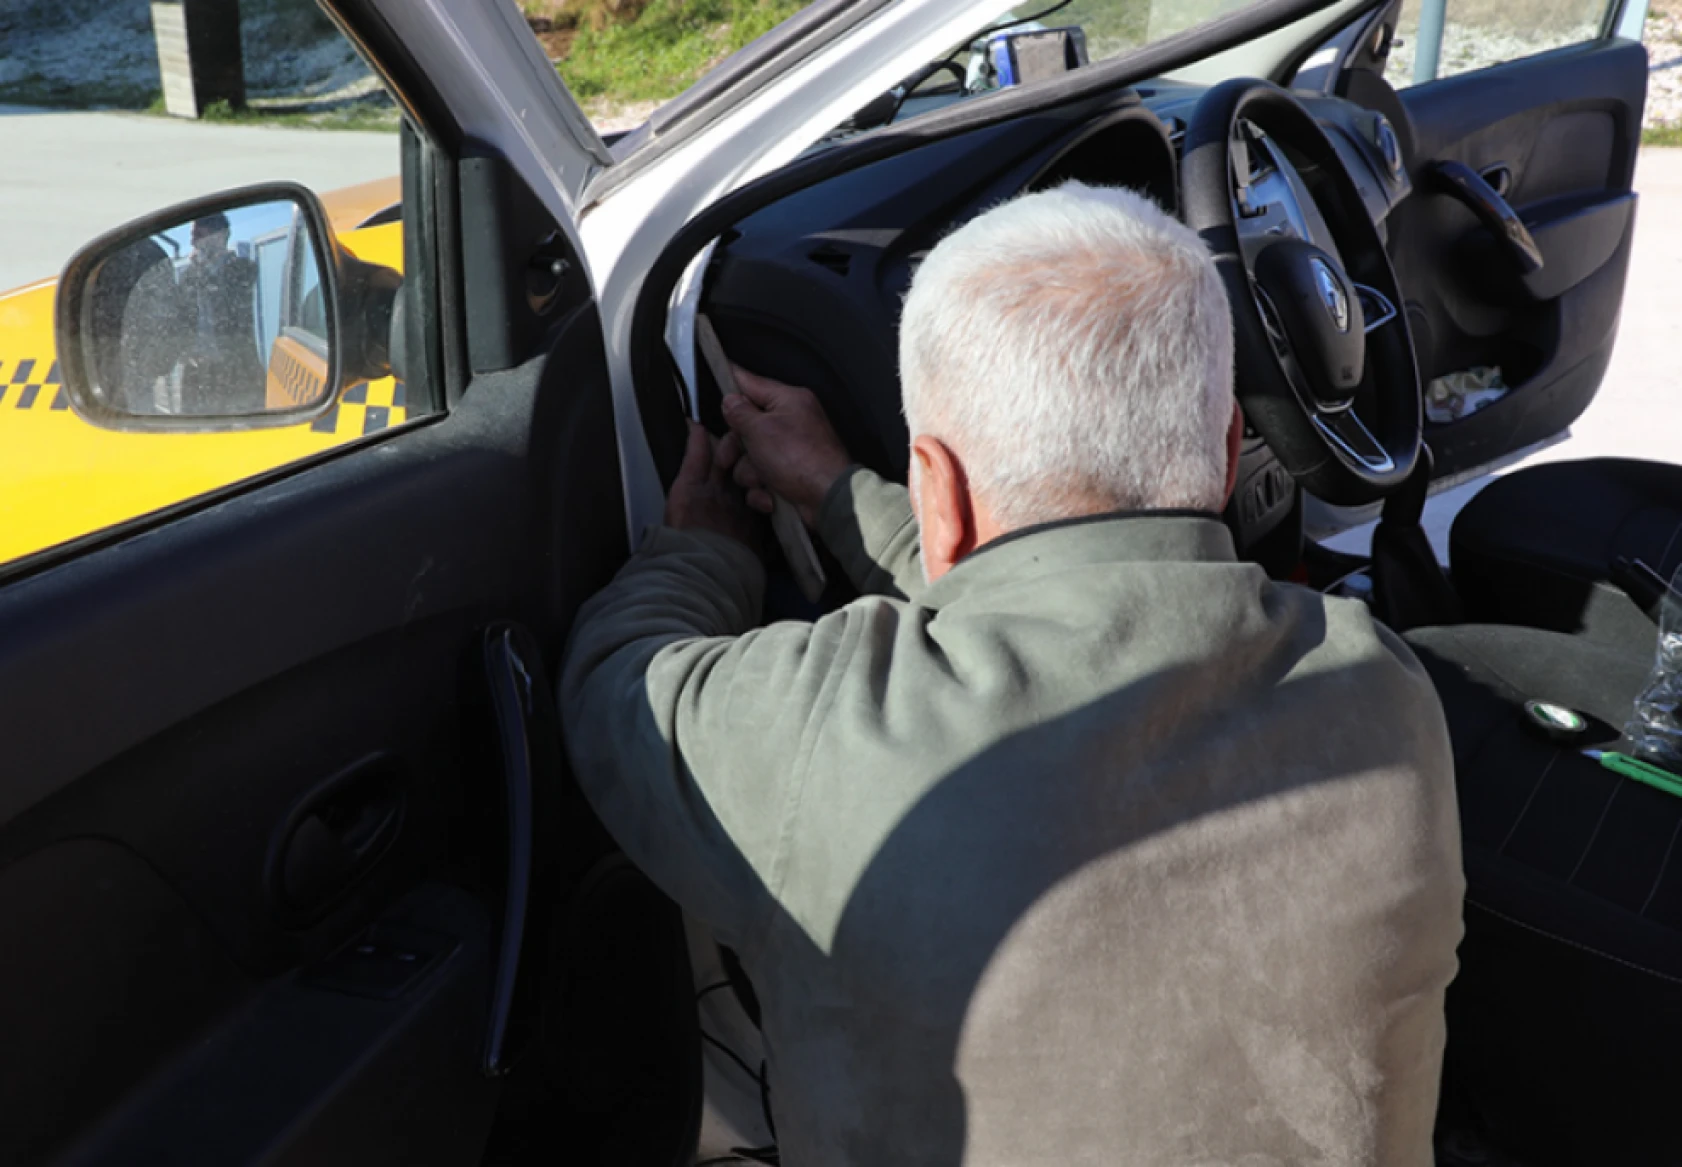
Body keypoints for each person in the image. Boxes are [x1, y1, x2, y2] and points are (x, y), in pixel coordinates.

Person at [560, 182, 1463, 1164]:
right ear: (1228, 444)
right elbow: (1080, 594)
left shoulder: (822, 731)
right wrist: (840, 500)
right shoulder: (1378, 690)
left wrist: (705, 550)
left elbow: (615, 680)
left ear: (933, 490)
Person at [176, 212, 263, 414]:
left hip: (236, 370)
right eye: (192, 235)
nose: (192, 241)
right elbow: (179, 318)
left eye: (198, 234)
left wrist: (206, 269)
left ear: (219, 235)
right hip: (196, 372)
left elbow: (236, 304)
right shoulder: (189, 275)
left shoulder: (244, 269)